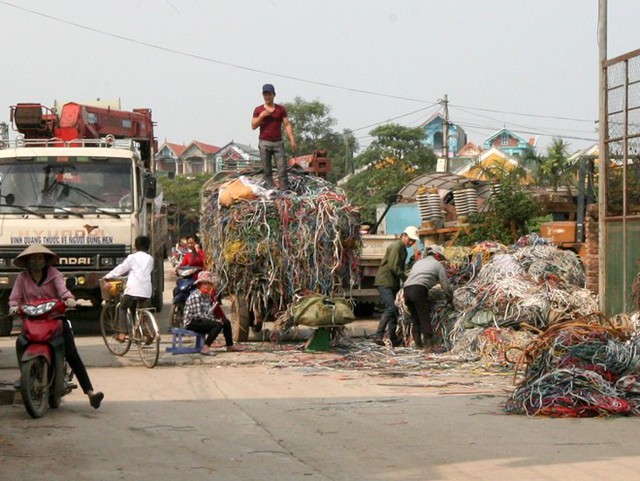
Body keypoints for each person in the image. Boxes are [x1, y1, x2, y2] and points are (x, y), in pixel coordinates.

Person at [9, 244, 104, 409]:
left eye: (40, 258)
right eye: (33, 258)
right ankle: (25, 376)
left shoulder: (54, 274)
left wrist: (68, 299)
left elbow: (63, 291)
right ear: (27, 261)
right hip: (32, 321)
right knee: (20, 343)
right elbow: (15, 298)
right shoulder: (22, 278)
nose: (37, 261)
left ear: (45, 260)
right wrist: (13, 306)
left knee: (71, 353)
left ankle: (90, 392)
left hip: (55, 319)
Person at [373, 226, 420, 347]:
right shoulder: (396, 247)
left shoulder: (403, 249)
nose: (411, 242)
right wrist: (407, 278)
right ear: (403, 235)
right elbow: (394, 267)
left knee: (395, 310)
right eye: (410, 239)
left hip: (392, 282)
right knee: (391, 308)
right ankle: (379, 335)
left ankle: (393, 338)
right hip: (385, 281)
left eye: (413, 241)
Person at [403, 244, 454, 355]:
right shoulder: (437, 265)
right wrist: (450, 298)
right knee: (424, 316)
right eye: (440, 257)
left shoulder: (418, 263)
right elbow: (445, 286)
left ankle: (417, 344)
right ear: (436, 255)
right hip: (419, 289)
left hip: (406, 290)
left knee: (415, 317)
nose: (441, 259)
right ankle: (429, 346)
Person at [104, 235, 154, 341]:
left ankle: (123, 333)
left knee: (122, 307)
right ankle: (139, 331)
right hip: (146, 291)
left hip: (133, 290)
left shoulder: (132, 257)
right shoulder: (150, 259)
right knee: (135, 308)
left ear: (135, 246)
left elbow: (121, 269)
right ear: (148, 247)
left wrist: (108, 276)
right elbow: (141, 272)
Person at [183, 271, 242, 355]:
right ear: (199, 284)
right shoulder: (196, 296)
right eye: (204, 284)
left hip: (202, 319)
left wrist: (217, 318)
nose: (207, 286)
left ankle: (230, 345)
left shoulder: (207, 296)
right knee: (217, 325)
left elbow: (208, 312)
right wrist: (215, 320)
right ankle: (206, 347)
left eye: (208, 284)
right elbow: (198, 315)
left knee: (226, 322)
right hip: (192, 322)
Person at [251, 83, 297, 191]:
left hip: (278, 143)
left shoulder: (280, 109)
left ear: (274, 95)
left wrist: (292, 140)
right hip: (264, 143)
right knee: (267, 170)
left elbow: (287, 124)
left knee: (282, 169)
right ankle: (269, 191)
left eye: (269, 94)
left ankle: (284, 192)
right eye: (265, 94)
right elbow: (253, 125)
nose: (267, 97)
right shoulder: (258, 110)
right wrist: (262, 116)